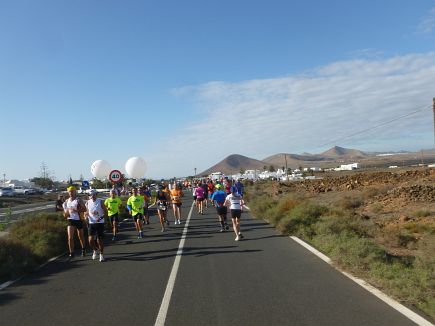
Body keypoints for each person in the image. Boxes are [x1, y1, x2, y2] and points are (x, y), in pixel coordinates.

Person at [63, 186, 87, 257]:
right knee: (70, 237)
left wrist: (76, 210)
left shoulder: (78, 200)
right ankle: (72, 252)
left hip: (79, 219)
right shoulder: (67, 201)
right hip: (70, 220)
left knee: (81, 236)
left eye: (72, 191)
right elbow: (66, 211)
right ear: (68, 192)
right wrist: (65, 214)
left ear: (75, 192)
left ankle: (83, 249)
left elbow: (84, 209)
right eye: (70, 191)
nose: (71, 193)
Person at [85, 190, 108, 262]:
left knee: (99, 240)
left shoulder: (100, 201)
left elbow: (105, 211)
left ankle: (101, 254)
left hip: (100, 223)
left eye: (93, 194)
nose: (92, 196)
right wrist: (86, 216)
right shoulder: (87, 203)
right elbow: (86, 212)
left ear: (96, 194)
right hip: (91, 223)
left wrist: (100, 218)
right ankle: (95, 250)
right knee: (90, 240)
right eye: (90, 195)